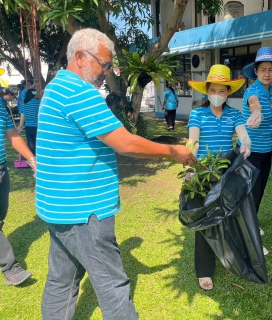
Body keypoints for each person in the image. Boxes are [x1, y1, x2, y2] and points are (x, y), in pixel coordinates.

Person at [36, 28, 196, 320]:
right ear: (81, 57)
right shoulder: (79, 92)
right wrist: (174, 152)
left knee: (62, 281)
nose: (107, 73)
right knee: (113, 286)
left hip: (57, 208)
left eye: (109, 66)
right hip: (85, 212)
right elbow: (125, 143)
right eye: (104, 64)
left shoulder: (56, 88)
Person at [187, 64, 250, 291]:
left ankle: (229, 255)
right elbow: (193, 143)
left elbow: (242, 134)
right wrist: (190, 167)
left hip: (227, 173)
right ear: (206, 92)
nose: (217, 95)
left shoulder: (234, 114)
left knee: (228, 217)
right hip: (204, 174)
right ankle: (204, 270)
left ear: (228, 93)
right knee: (205, 221)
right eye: (213, 91)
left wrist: (246, 143)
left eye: (221, 91)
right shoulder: (197, 114)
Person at [240, 46, 272, 247]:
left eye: (271, 69)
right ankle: (246, 230)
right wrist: (256, 114)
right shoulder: (252, 91)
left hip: (265, 150)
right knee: (250, 191)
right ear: (256, 71)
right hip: (249, 151)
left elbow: (271, 122)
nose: (267, 74)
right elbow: (255, 105)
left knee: (259, 191)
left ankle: (251, 222)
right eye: (263, 70)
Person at [1, 88, 36, 286]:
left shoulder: (0, 106)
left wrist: (32, 160)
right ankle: (10, 267)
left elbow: (12, 134)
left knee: (0, 218)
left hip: (2, 171)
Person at [17, 89, 40, 156]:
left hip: (28, 127)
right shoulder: (38, 103)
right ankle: (37, 157)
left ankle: (31, 157)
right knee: (37, 143)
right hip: (37, 127)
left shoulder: (24, 104)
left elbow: (22, 116)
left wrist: (20, 126)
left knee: (30, 143)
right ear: (34, 95)